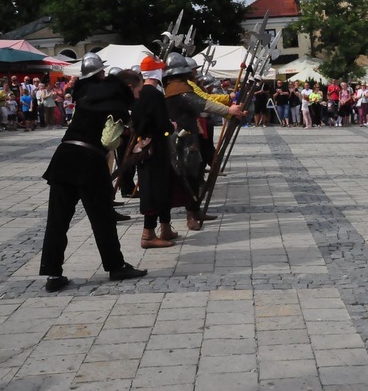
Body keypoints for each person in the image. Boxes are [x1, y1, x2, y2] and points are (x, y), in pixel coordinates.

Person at [40, 55, 148, 293]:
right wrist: (125, 137)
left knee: (58, 220)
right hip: (89, 161)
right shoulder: (114, 101)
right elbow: (108, 141)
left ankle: (53, 273)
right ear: (102, 74)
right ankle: (116, 265)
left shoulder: (84, 95)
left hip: (64, 157)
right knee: (103, 219)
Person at [163, 53, 247, 230]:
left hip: (187, 134)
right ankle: (190, 215)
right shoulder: (180, 90)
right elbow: (204, 105)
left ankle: (194, 211)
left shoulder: (176, 87)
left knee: (194, 174)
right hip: (182, 138)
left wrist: (229, 111)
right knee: (188, 177)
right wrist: (229, 111)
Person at [130, 56, 179, 248]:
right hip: (155, 146)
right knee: (154, 188)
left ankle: (165, 227)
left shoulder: (139, 93)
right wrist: (171, 127)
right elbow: (161, 124)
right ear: (156, 72)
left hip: (145, 144)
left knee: (163, 186)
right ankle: (148, 234)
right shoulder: (154, 95)